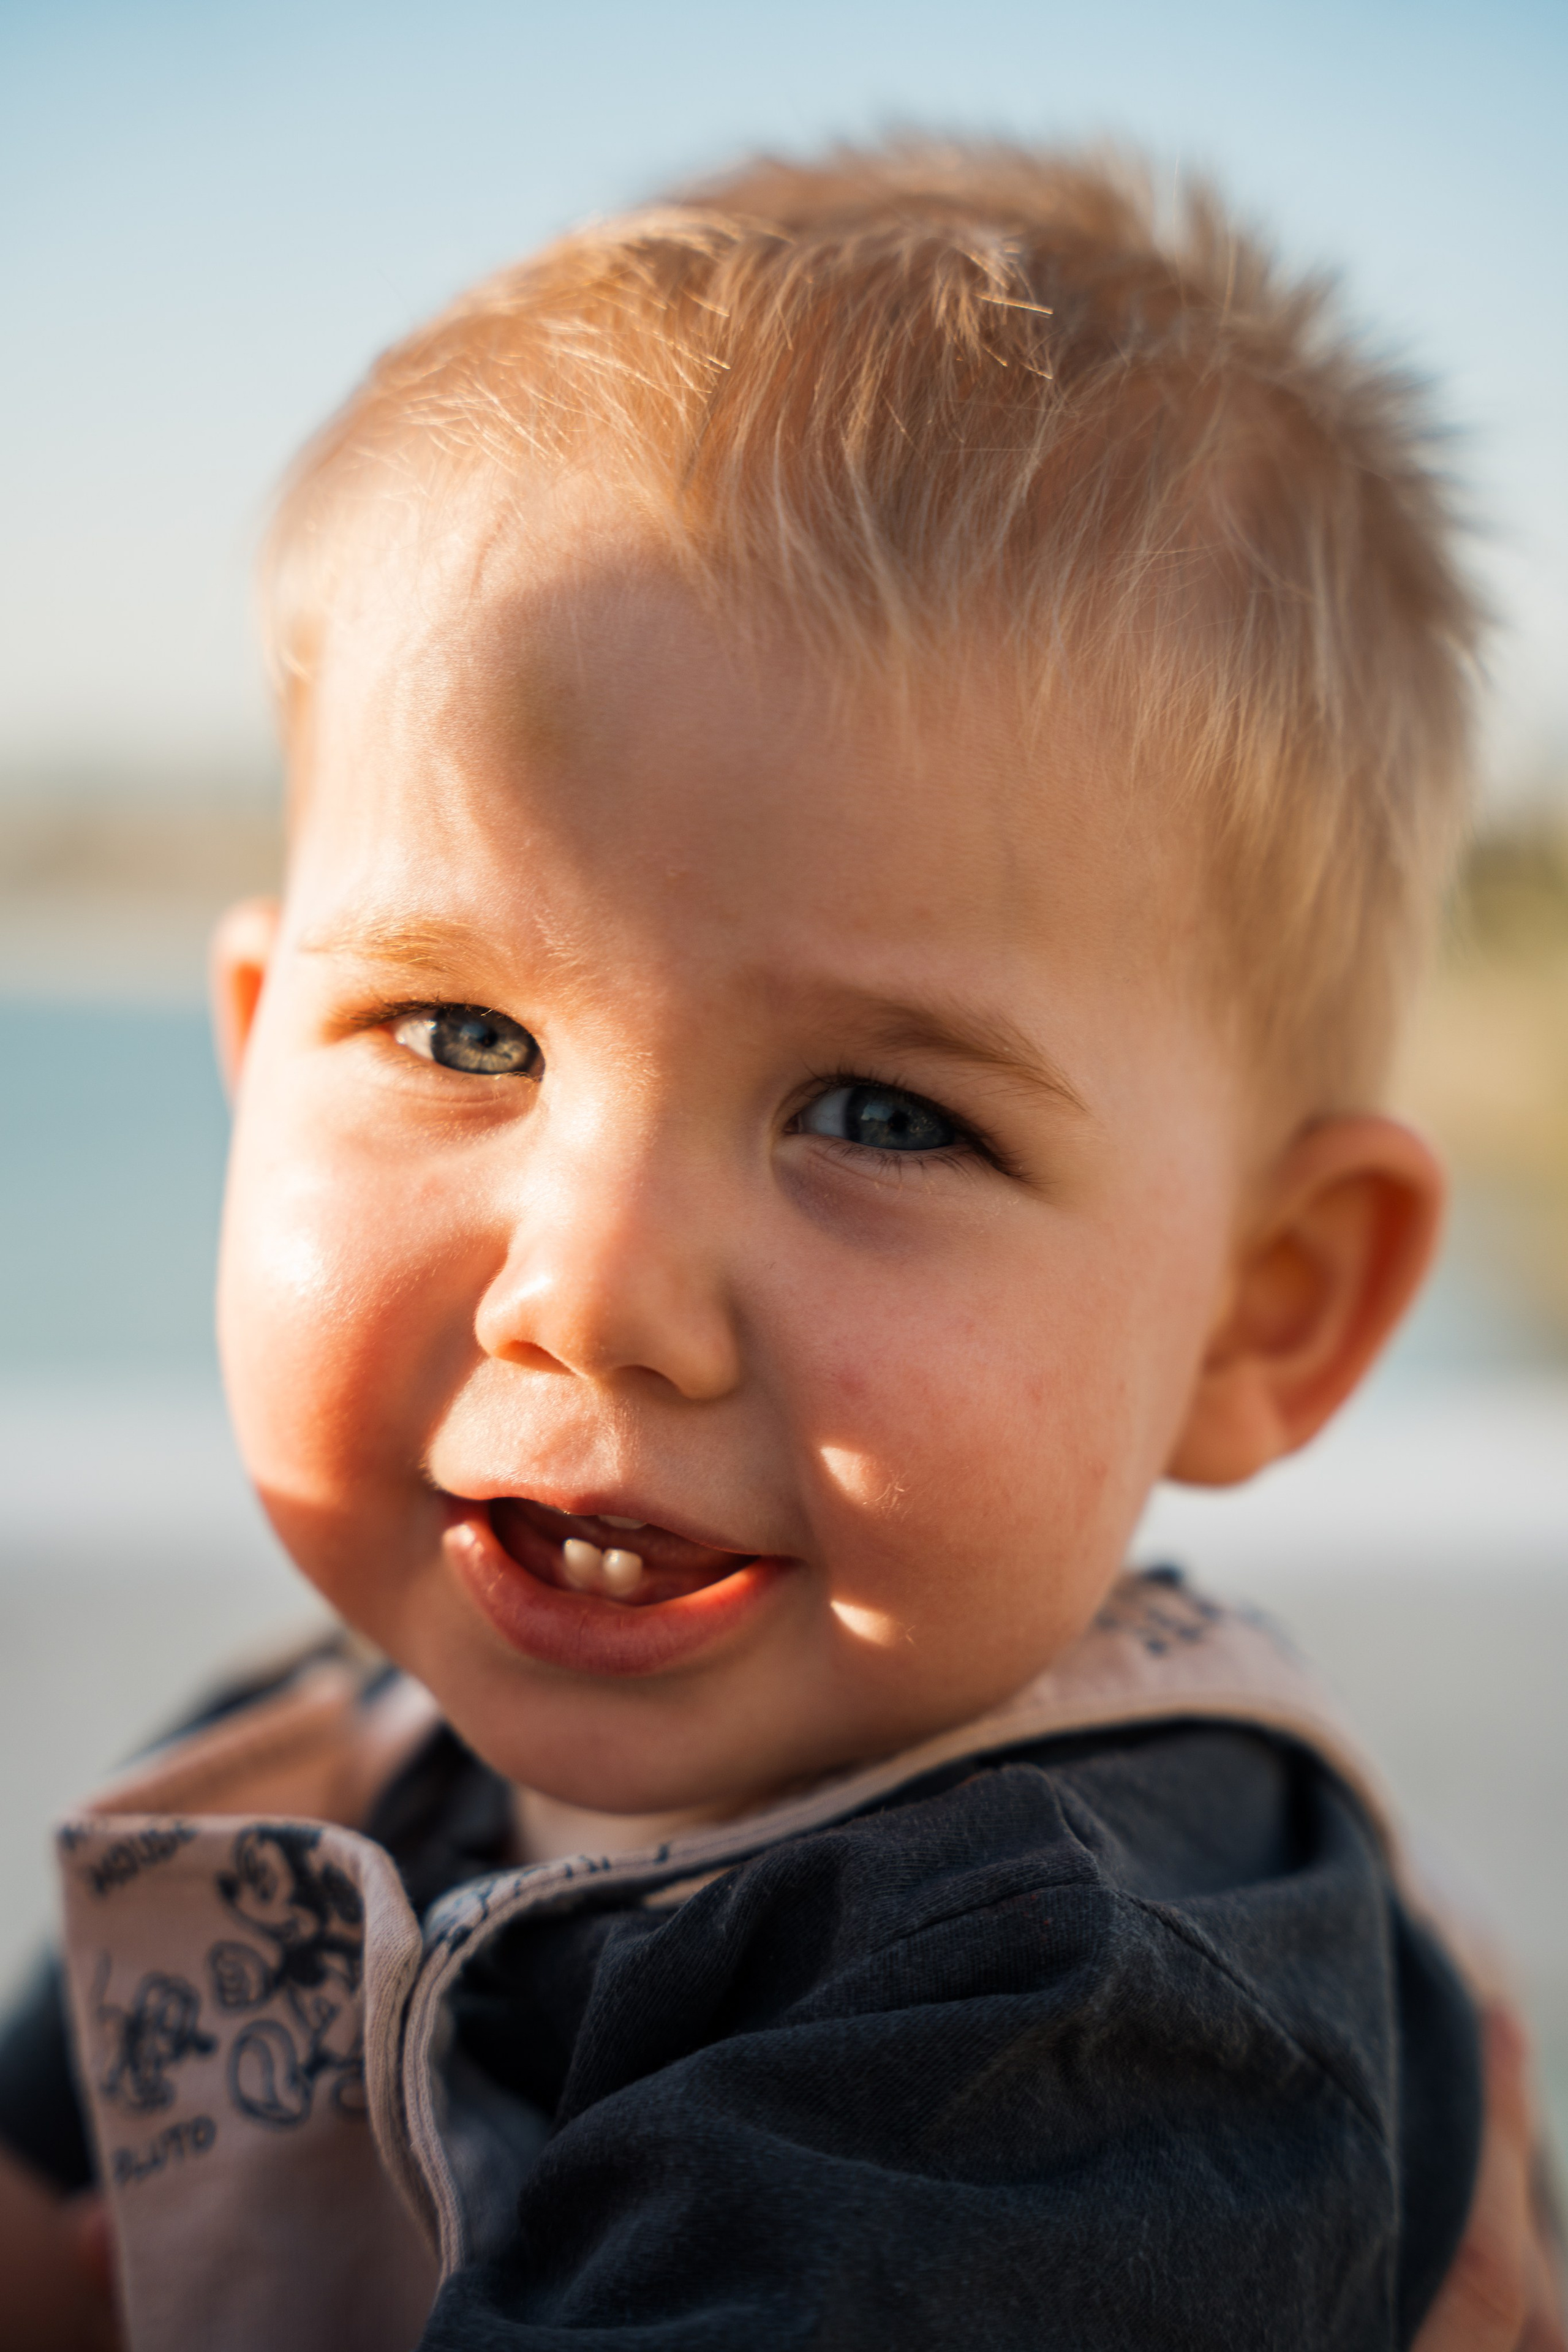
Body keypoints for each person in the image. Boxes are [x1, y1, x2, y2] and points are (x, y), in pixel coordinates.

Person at [0, 141, 1562, 2351]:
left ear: (1264, 1304)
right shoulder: (328, 1747)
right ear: (259, 1058)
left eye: (883, 1114)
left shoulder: (1070, 2033)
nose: (593, 1287)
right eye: (463, 1031)